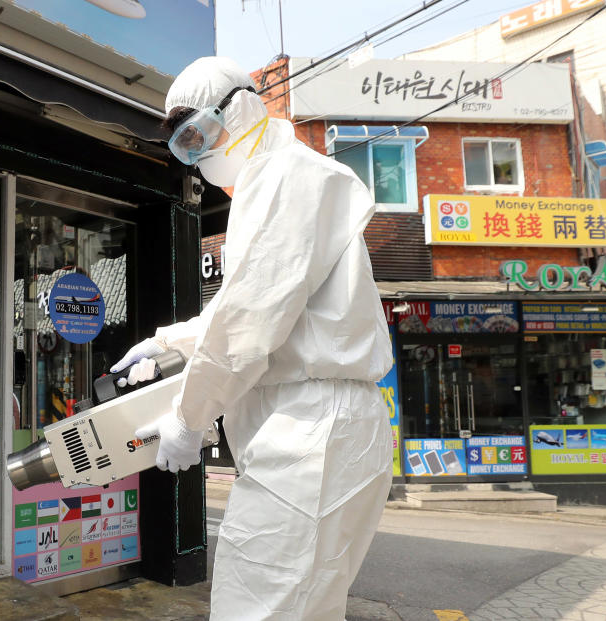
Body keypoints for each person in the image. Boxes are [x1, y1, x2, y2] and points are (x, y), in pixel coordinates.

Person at [110, 56, 394, 620]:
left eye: (198, 135)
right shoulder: (277, 181)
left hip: (310, 430)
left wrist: (188, 419)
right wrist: (172, 341)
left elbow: (250, 319)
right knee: (303, 605)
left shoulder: (286, 177)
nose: (196, 155)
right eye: (183, 148)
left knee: (257, 605)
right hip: (319, 426)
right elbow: (264, 305)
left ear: (238, 108)